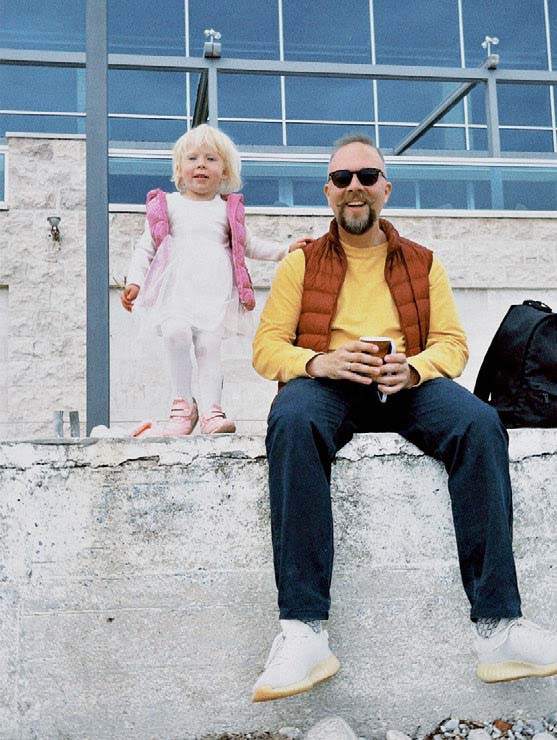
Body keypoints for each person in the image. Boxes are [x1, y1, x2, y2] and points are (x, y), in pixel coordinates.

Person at [251, 133, 557, 702]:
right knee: (291, 421)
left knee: (479, 424)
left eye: (367, 176)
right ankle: (303, 631)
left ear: (385, 189)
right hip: (330, 384)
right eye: (342, 179)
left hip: (406, 384)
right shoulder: (300, 263)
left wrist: (413, 370)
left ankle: (498, 628)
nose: (355, 187)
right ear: (328, 192)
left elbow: (452, 345)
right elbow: (267, 347)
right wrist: (319, 361)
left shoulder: (423, 261)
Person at [121, 124, 293, 436]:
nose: (201, 165)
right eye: (193, 159)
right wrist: (135, 281)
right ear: (179, 169)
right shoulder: (169, 205)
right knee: (175, 333)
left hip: (213, 293)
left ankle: (212, 411)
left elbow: (249, 245)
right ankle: (182, 406)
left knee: (209, 347)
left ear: (224, 170)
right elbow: (146, 248)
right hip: (176, 291)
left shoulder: (226, 210)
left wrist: (285, 251)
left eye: (211, 159)